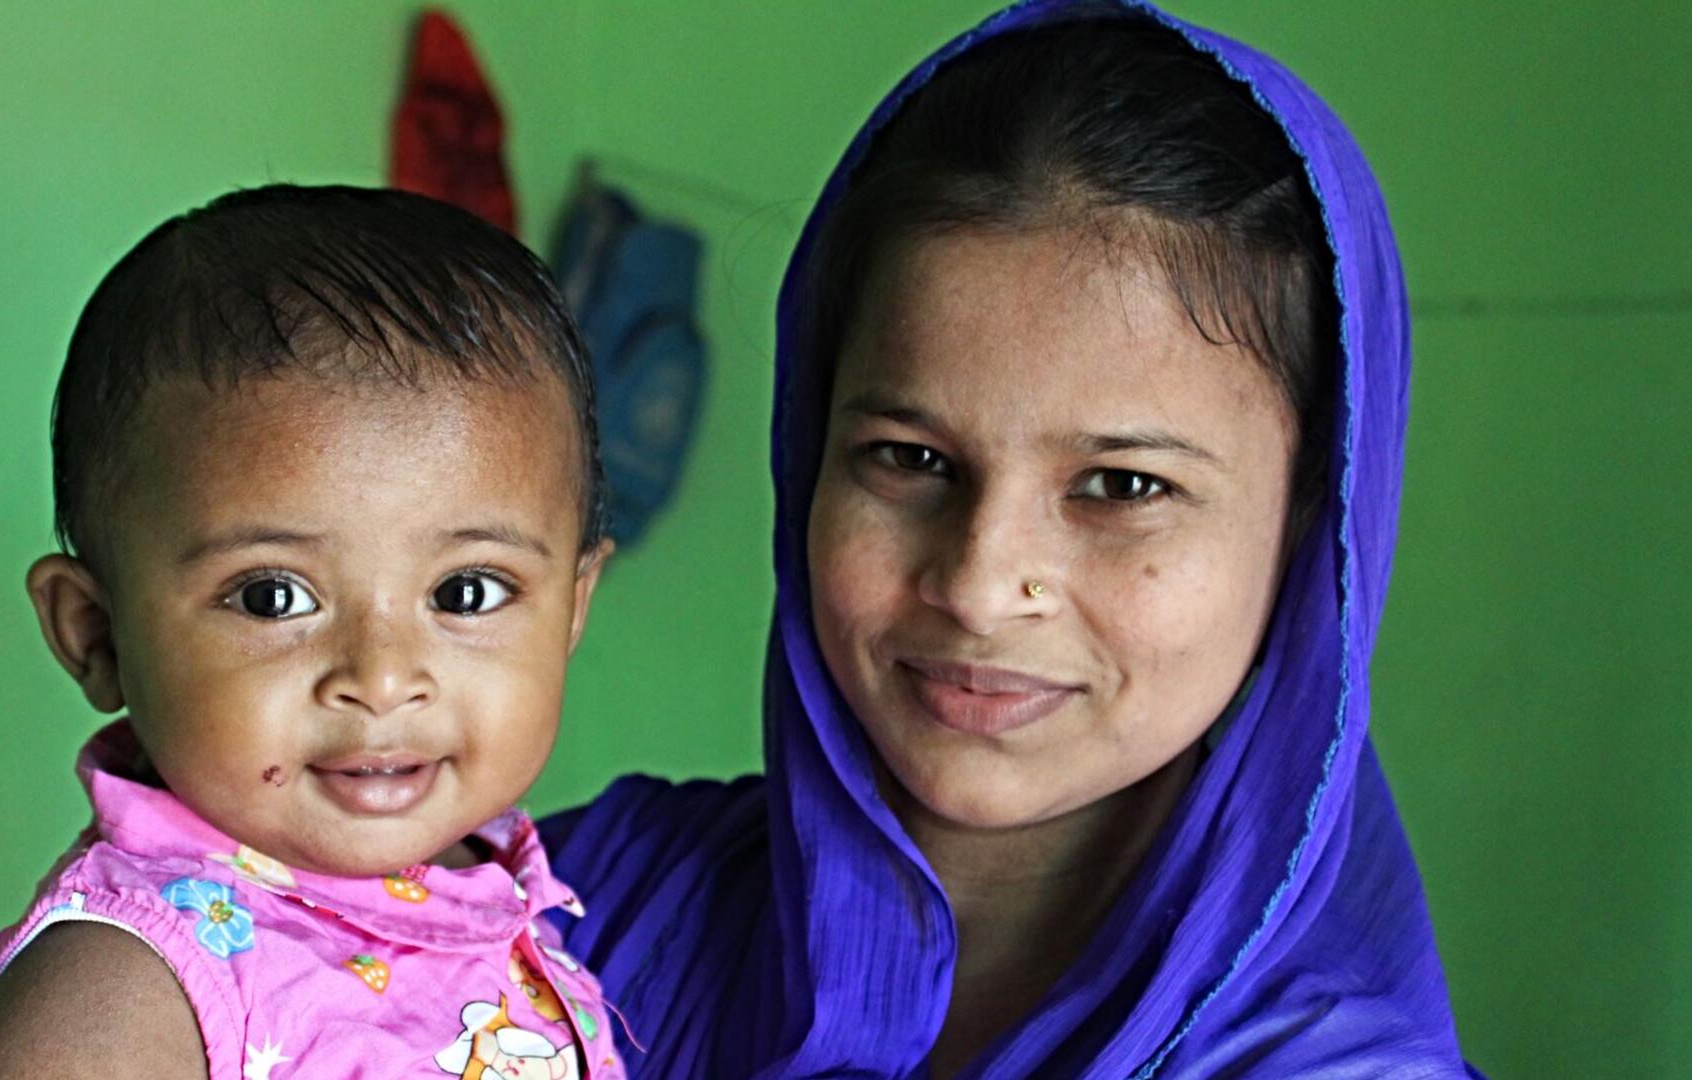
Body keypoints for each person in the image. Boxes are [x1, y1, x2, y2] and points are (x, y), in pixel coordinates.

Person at [541, 3, 1481, 1076]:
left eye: (1123, 486)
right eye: (911, 459)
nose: (981, 587)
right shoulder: (553, 916)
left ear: (1311, 522)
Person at [0, 185, 621, 1079]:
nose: (383, 679)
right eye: (273, 598)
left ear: (570, 608)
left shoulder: (511, 896)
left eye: (465, 591)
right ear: (96, 634)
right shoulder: (119, 991)